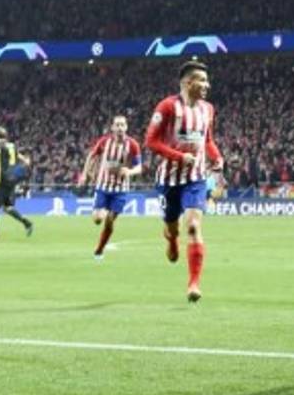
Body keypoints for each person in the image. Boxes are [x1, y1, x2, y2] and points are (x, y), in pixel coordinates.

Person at [146, 61, 224, 302]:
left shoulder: (208, 109)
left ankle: (193, 283)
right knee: (172, 227)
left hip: (196, 179)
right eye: (202, 80)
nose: (207, 85)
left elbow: (207, 140)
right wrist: (179, 156)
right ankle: (171, 239)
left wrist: (217, 157)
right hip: (169, 179)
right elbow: (151, 141)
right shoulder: (168, 107)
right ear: (187, 82)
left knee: (193, 226)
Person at [79, 115, 143, 260]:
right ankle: (103, 215)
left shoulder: (132, 145)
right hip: (102, 187)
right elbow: (92, 156)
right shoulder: (104, 142)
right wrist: (84, 174)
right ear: (113, 128)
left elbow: (139, 167)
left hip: (120, 191)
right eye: (117, 125)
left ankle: (100, 250)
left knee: (109, 220)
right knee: (97, 219)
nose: (120, 128)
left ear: (126, 127)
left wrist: (130, 171)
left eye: (122, 125)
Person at [0, 127, 34, 239]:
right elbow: (19, 156)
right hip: (12, 179)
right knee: (7, 207)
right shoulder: (12, 146)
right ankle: (27, 223)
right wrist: (26, 161)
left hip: (2, 179)